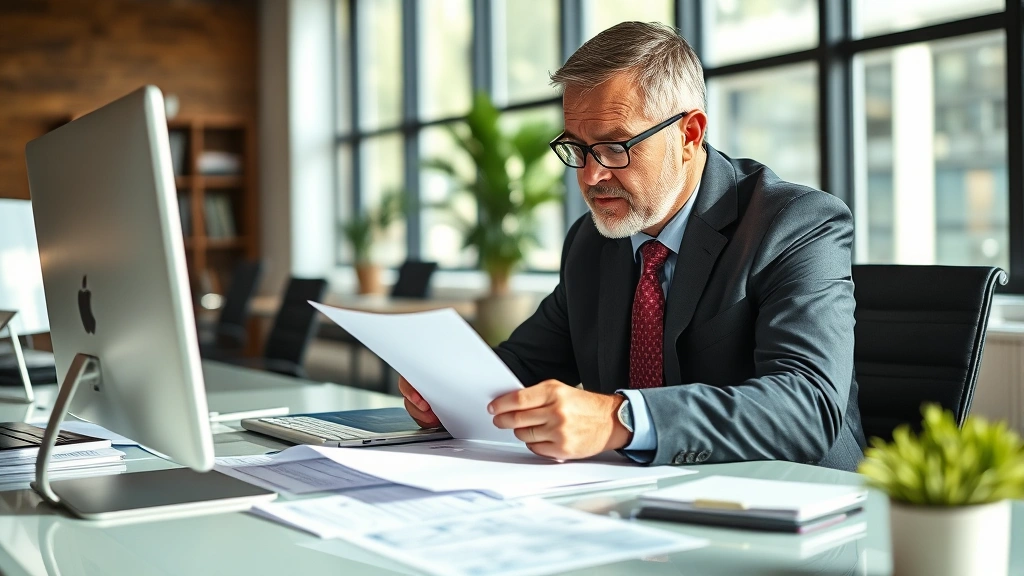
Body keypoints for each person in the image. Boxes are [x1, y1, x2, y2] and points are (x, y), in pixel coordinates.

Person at [400, 21, 865, 471]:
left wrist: (620, 419)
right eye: (577, 148)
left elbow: (807, 406)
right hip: (642, 504)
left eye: (615, 146)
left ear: (689, 134)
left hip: (792, 508)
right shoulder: (591, 242)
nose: (590, 176)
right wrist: (450, 394)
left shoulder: (795, 223)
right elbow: (523, 365)